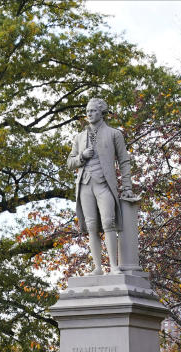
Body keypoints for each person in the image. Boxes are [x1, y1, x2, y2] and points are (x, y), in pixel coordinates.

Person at [67, 96, 134, 274]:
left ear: (101, 113)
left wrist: (127, 187)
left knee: (108, 223)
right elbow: (70, 162)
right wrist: (82, 156)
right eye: (87, 111)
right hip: (85, 185)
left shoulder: (114, 134)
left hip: (104, 184)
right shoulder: (80, 137)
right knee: (91, 226)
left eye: (93, 110)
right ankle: (97, 267)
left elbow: (124, 161)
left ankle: (113, 266)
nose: (89, 114)